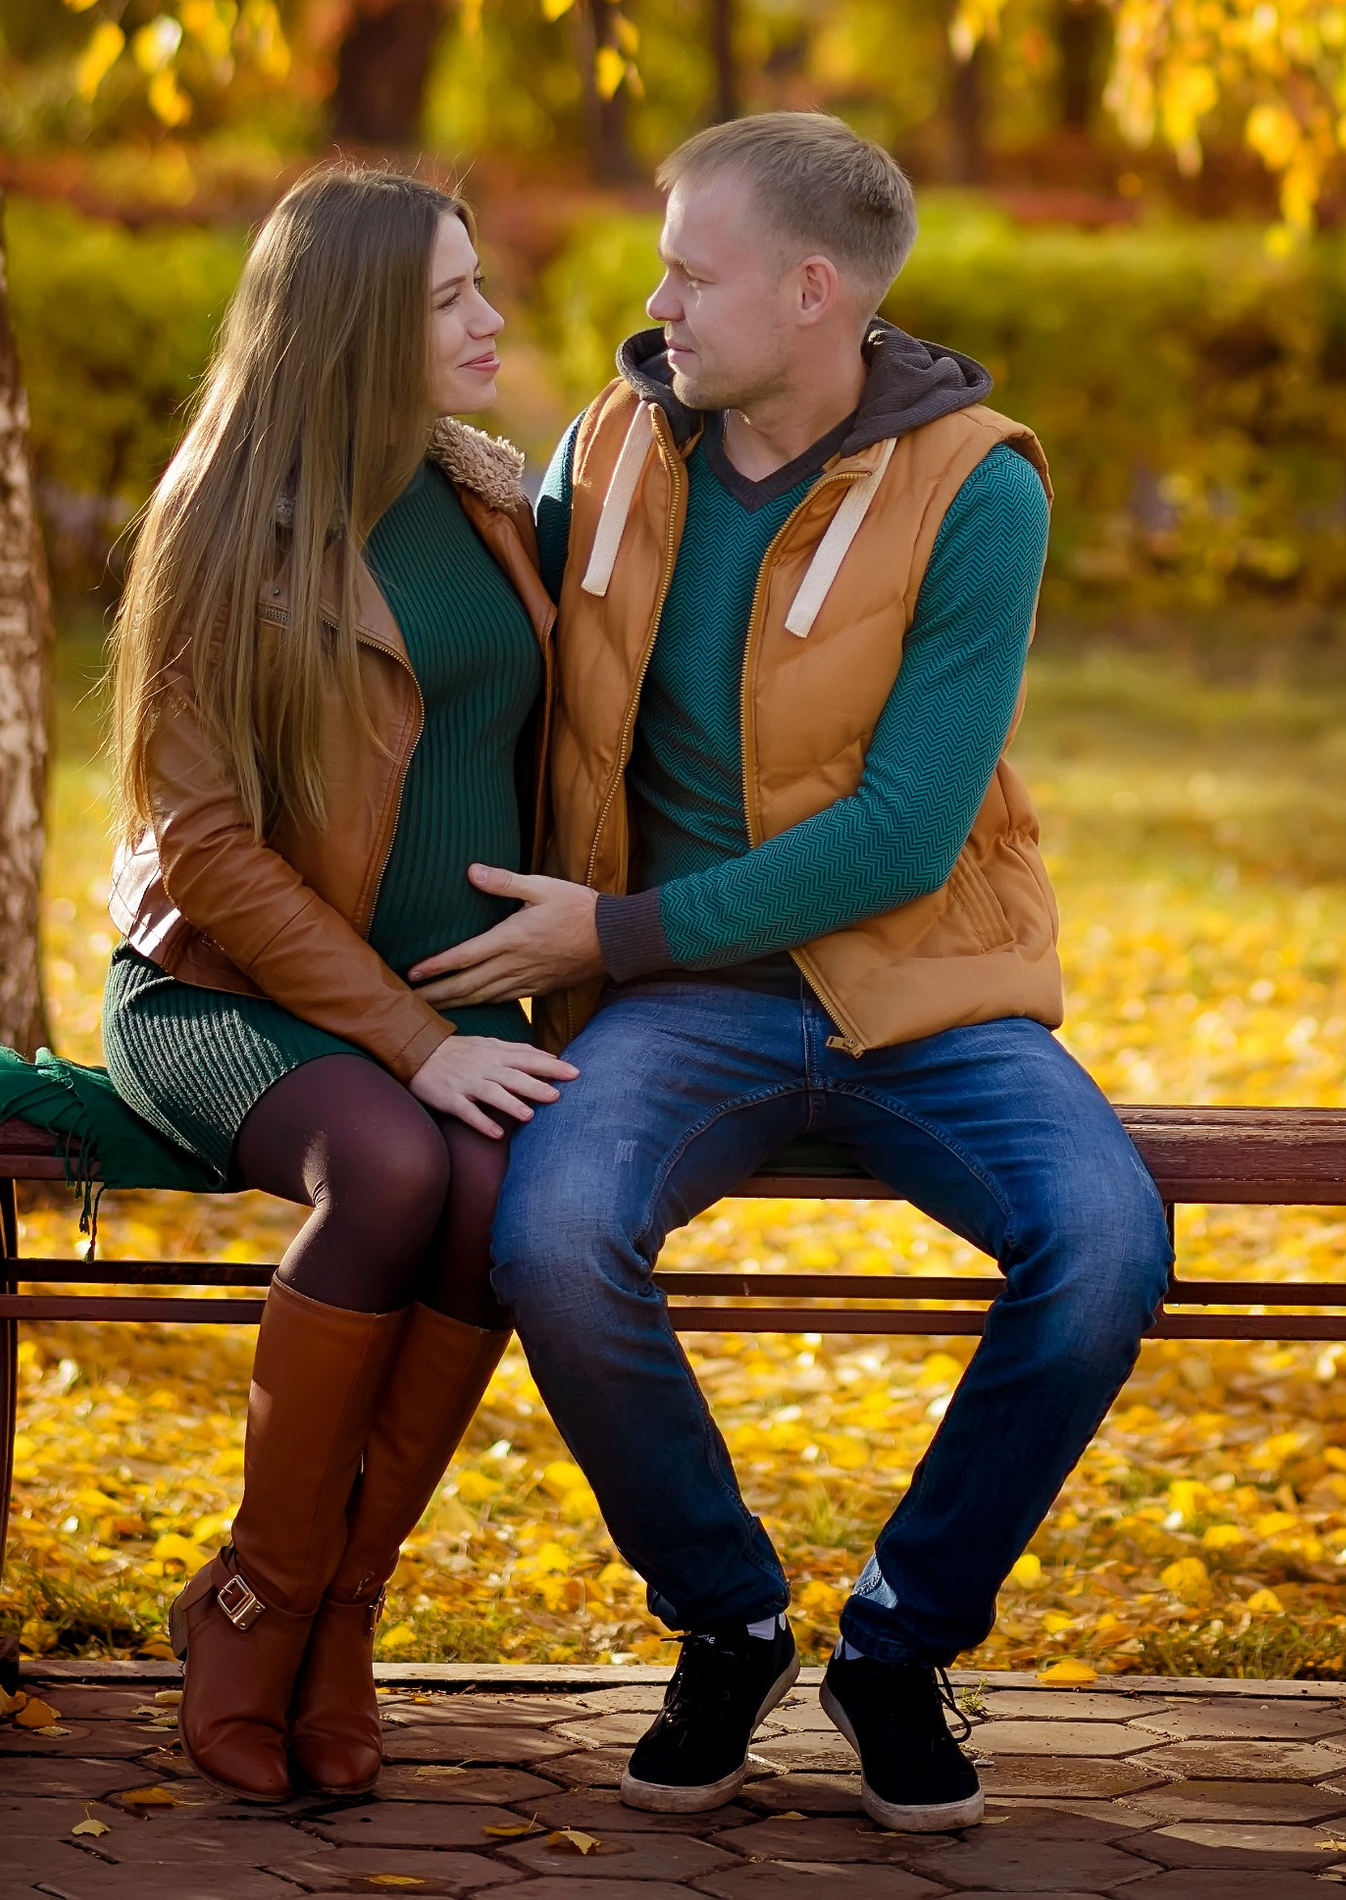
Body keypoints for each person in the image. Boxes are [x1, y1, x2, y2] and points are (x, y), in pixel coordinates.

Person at [408, 112, 1171, 1837]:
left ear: (814, 290)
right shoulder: (615, 442)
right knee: (550, 1234)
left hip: (916, 987)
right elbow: (484, 634)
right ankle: (729, 1618)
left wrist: (606, 934)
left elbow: (906, 832)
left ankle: (899, 1647)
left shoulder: (980, 486)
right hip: (685, 1007)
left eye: (696, 266)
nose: (657, 293)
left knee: (1111, 1240)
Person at [103, 166, 577, 1798]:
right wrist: (408, 1040)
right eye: (449, 298)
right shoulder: (227, 519)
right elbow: (208, 848)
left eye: (479, 287)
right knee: (388, 1164)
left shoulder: (490, 495)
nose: (488, 321)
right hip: (229, 992)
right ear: (358, 326)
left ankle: (345, 1613)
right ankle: (259, 1602)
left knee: (501, 1183)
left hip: (451, 1011)